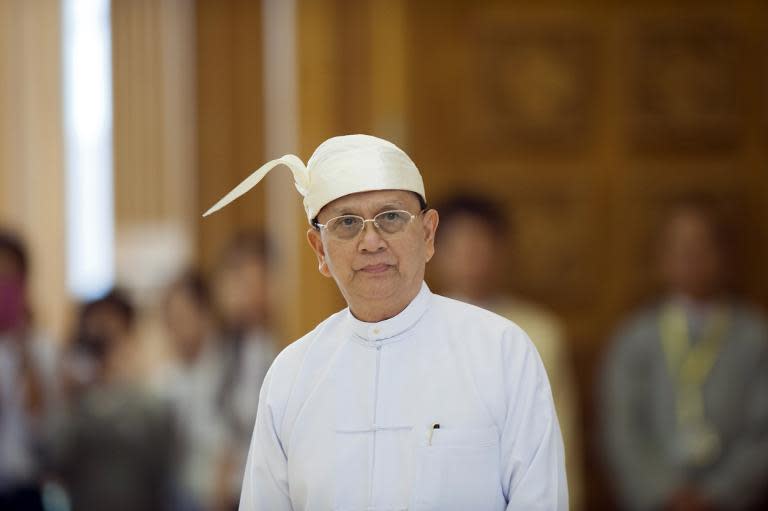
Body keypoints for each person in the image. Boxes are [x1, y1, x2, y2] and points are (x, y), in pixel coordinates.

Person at [203, 134, 568, 510]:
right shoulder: (291, 375)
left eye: (391, 217)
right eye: (347, 223)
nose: (371, 241)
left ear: (427, 234)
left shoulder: (502, 352)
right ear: (320, 250)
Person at [600, 201, 768, 511]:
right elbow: (623, 429)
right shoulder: (634, 336)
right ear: (661, 259)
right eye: (679, 248)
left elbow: (762, 434)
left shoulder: (756, 336)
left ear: (726, 256)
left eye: (702, 246)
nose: (691, 258)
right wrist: (665, 494)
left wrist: (717, 495)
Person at [432, 194, 583, 510]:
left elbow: (559, 431)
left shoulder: (540, 331)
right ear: (433, 251)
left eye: (481, 245)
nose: (472, 258)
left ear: (502, 250)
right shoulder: (415, 329)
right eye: (460, 246)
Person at [47, 290, 176, 511]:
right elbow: (55, 462)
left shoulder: (150, 400)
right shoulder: (76, 403)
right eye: (95, 340)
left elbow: (164, 462)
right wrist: (70, 398)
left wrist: (128, 383)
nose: (104, 350)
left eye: (111, 336)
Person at [212, 232, 276, 510]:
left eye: (248, 281)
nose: (238, 292)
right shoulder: (231, 344)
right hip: (235, 485)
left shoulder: (278, 342)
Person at [155, 271, 229, 511]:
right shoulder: (166, 379)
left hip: (224, 493)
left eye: (184, 317)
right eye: (172, 320)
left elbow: (229, 441)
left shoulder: (227, 369)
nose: (177, 328)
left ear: (205, 315)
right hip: (178, 492)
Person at [0, 230, 58, 511]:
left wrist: (25, 351)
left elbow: (44, 421)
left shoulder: (41, 348)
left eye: (10, 279)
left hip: (26, 487)